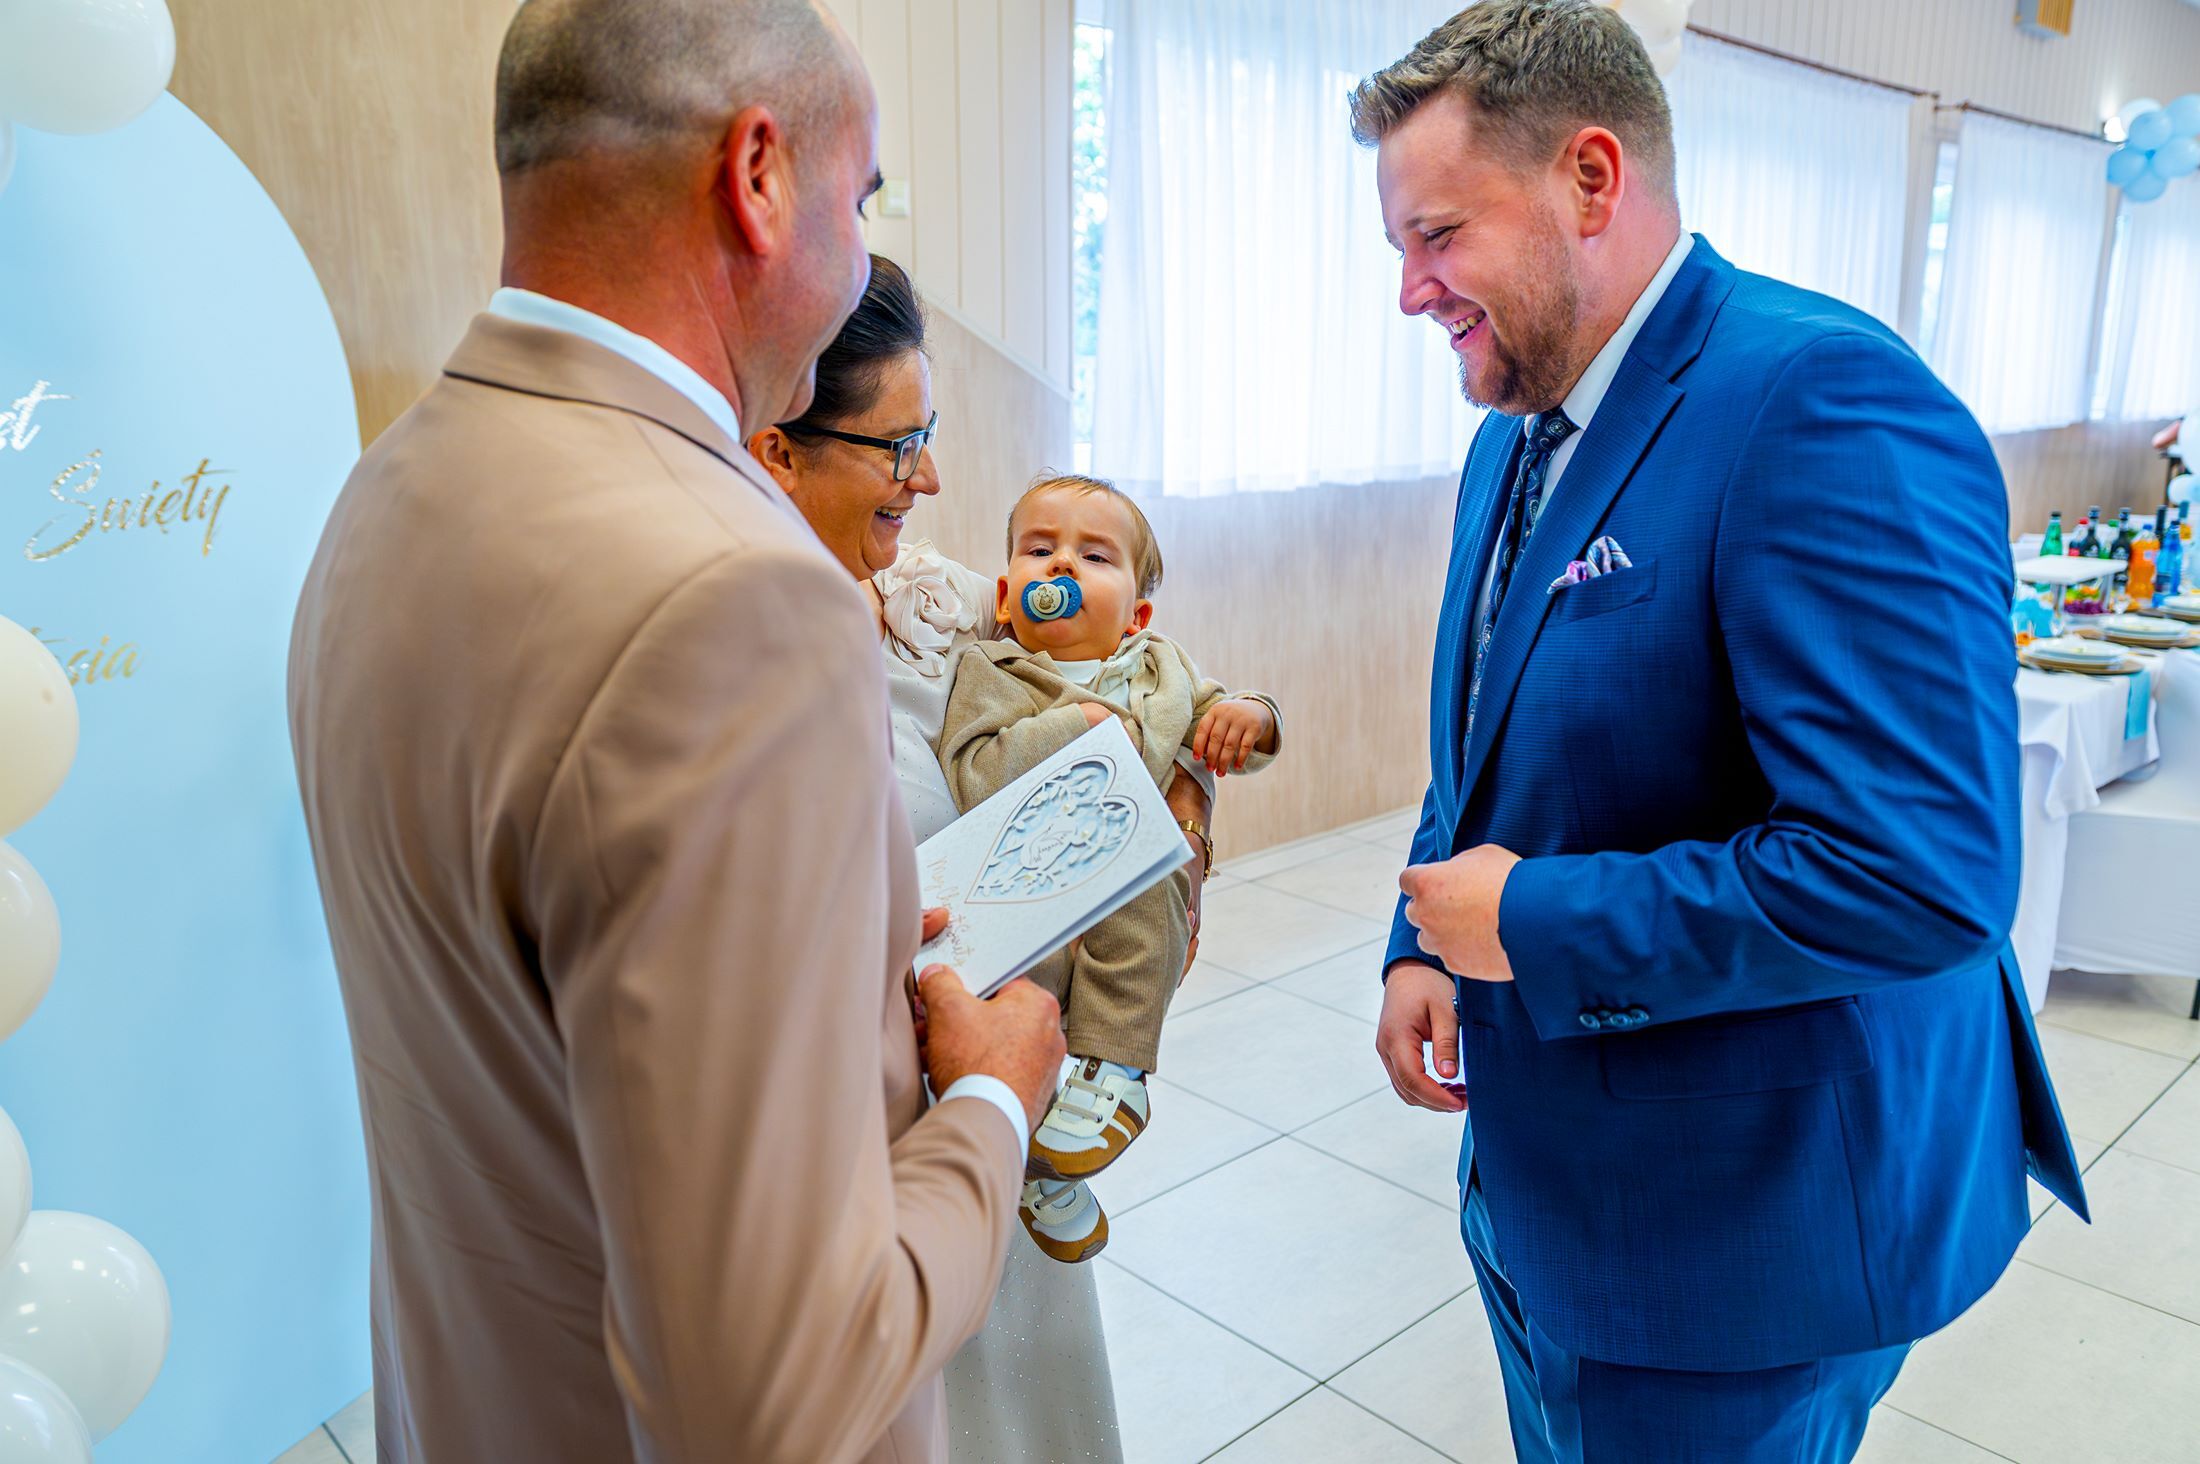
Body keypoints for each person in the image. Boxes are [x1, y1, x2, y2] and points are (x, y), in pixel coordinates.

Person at [286, 4, 1067, 1461]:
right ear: (758, 177)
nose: (862, 257)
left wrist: (824, 966)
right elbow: (769, 1397)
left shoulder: (389, 486)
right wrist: (989, 1105)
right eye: (861, 201)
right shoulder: (739, 595)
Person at [1350, 4, 2088, 1460]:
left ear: (1591, 178)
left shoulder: (1821, 402)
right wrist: (1420, 945)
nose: (1412, 292)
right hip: (1549, 1185)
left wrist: (1530, 924)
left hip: (1739, 1238)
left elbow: (1920, 876)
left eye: (1436, 236)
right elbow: (1493, 736)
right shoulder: (1513, 426)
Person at [750, 262, 1220, 1460]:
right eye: (902, 446)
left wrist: (1184, 792)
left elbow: (1127, 667)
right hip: (874, 1153)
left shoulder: (932, 595)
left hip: (1009, 1098)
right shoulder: (729, 652)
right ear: (777, 449)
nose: (932, 479)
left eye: (932, 436)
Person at [936, 473, 1281, 1256]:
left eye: (1093, 557)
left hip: (1134, 896)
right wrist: (1077, 726)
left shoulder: (1163, 668)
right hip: (1038, 884)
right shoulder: (995, 671)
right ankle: (1044, 1168)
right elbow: (973, 770)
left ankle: (1115, 1074)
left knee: (1133, 919)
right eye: (1039, 550)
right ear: (1005, 594)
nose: (1061, 565)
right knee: (1032, 1042)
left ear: (1136, 615)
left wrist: (1252, 715)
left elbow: (1222, 721)